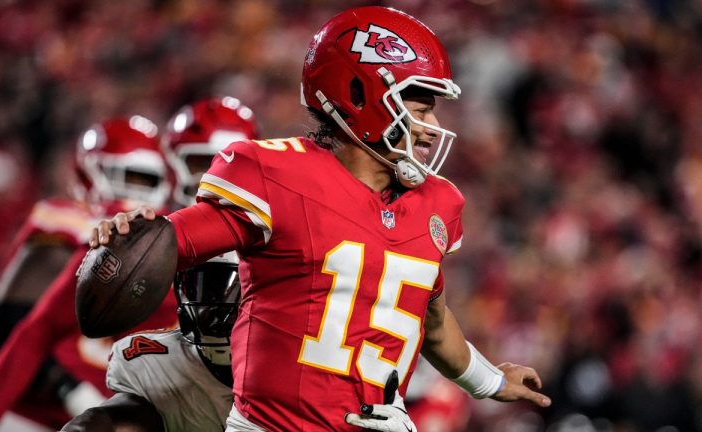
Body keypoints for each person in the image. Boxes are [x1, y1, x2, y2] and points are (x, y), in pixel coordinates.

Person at [90, 6, 551, 432]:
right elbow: (173, 242)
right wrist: (131, 236)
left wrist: (489, 381)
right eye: (420, 104)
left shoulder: (438, 202)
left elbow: (431, 321)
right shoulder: (277, 173)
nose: (431, 124)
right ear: (359, 95)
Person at [0, 116, 178, 432]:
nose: (133, 191)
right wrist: (69, 389)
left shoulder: (170, 239)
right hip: (35, 415)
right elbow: (12, 328)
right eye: (126, 176)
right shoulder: (73, 225)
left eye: (143, 179)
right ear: (88, 173)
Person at [61, 98, 259, 432]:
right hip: (190, 358)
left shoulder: (278, 218)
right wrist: (114, 253)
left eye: (229, 157)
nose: (217, 171)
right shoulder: (148, 232)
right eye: (201, 160)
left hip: (266, 364)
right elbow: (41, 325)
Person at [62, 251, 240, 432]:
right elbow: (116, 421)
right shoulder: (162, 362)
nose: (217, 312)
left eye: (234, 294)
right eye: (204, 292)